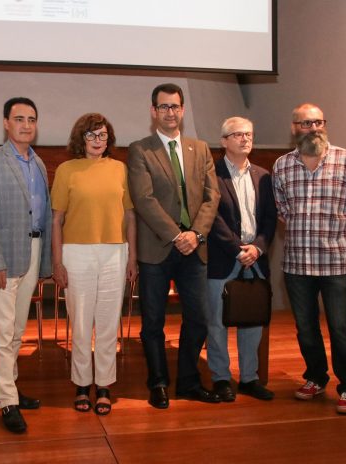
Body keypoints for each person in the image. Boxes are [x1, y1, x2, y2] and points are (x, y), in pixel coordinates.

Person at [272, 103, 346, 414]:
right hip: (297, 264)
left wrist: (333, 231)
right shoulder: (282, 166)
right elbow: (282, 210)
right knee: (305, 327)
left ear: (324, 124)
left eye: (318, 122)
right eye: (306, 123)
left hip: (335, 262)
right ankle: (315, 377)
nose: (313, 128)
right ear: (294, 128)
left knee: (341, 326)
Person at [127, 83, 220, 409]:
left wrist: (195, 234)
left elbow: (212, 196)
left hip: (195, 248)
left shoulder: (201, 148)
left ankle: (189, 382)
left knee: (199, 318)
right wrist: (176, 235)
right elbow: (143, 199)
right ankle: (158, 383)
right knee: (153, 322)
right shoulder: (140, 150)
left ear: (183, 110)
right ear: (154, 111)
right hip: (157, 248)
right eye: (164, 106)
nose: (170, 112)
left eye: (175, 106)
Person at [0, 97, 51, 433]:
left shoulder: (39, 163)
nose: (26, 125)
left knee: (17, 329)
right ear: (6, 123)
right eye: (19, 119)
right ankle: (8, 402)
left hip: (32, 250)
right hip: (3, 257)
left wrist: (44, 259)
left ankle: (6, 388)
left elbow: (43, 215)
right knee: (2, 332)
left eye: (31, 119)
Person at [51, 113, 137, 416]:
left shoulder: (120, 169)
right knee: (81, 323)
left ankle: (103, 385)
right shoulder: (67, 170)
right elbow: (56, 220)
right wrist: (57, 261)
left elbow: (130, 216)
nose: (97, 141)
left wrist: (132, 257)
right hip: (76, 254)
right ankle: (81, 384)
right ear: (81, 139)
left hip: (115, 252)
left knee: (108, 324)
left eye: (102, 135)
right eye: (91, 135)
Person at [205, 117, 277, 402]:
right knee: (217, 322)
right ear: (224, 141)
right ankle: (221, 378)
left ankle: (249, 378)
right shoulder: (211, 174)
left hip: (255, 259)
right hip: (224, 257)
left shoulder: (263, 175)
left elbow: (270, 218)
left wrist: (257, 248)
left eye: (249, 134)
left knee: (252, 320)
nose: (245, 139)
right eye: (238, 135)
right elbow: (212, 218)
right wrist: (237, 249)